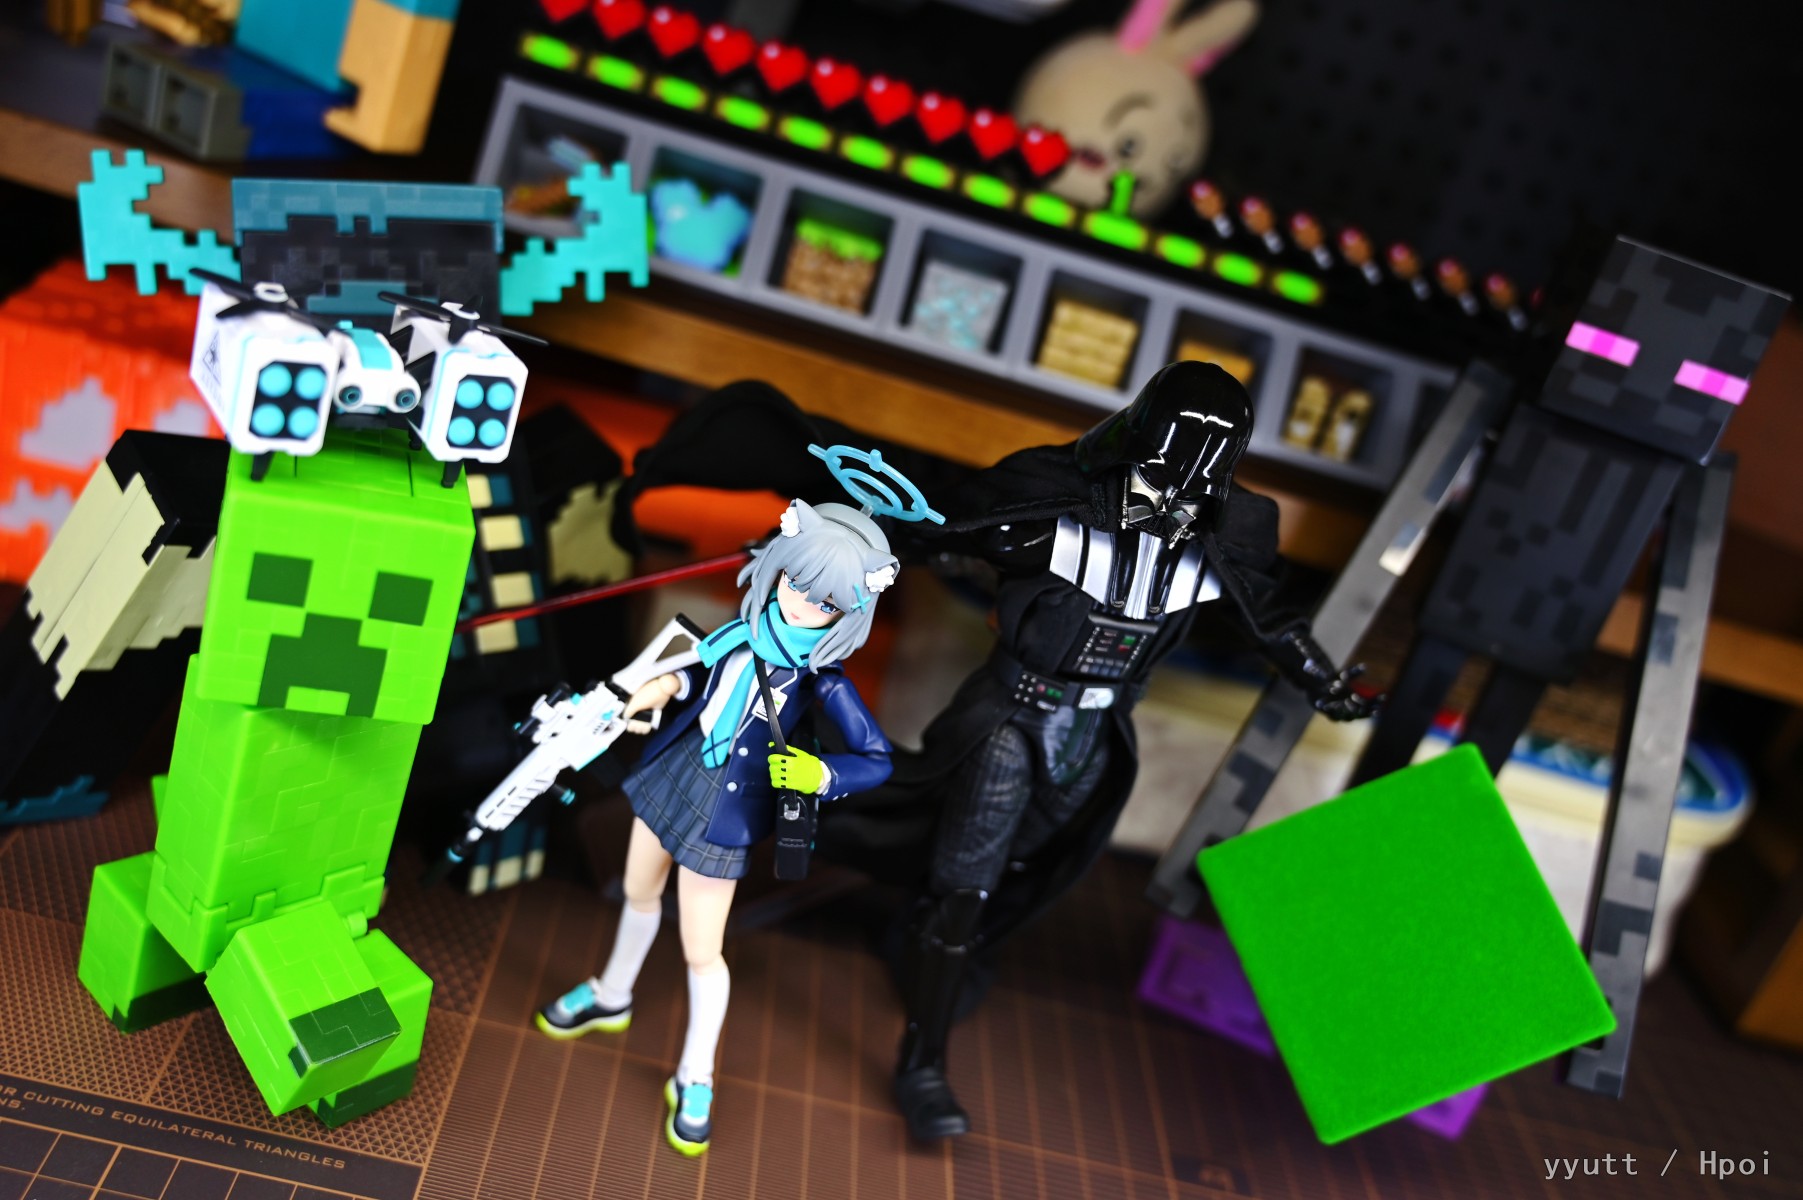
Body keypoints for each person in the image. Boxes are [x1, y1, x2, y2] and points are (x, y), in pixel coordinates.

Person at [814, 361, 1379, 1139]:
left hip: (1097, 734)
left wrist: (1323, 681)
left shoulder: (1222, 540)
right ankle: (923, 1064)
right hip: (1010, 720)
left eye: (1195, 489)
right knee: (963, 886)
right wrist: (819, 561)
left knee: (1025, 866)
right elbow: (935, 528)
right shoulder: (1049, 504)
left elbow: (1269, 619)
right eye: (1160, 480)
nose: (1172, 505)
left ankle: (924, 939)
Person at [533, 497, 898, 1156]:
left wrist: (819, 774)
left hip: (726, 810)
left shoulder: (823, 679)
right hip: (675, 772)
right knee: (637, 893)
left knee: (702, 951)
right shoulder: (741, 632)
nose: (801, 604)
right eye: (796, 582)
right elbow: (695, 675)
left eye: (825, 601)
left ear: (849, 611)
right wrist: (649, 692)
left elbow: (877, 759)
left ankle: (695, 1074)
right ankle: (612, 993)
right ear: (777, 568)